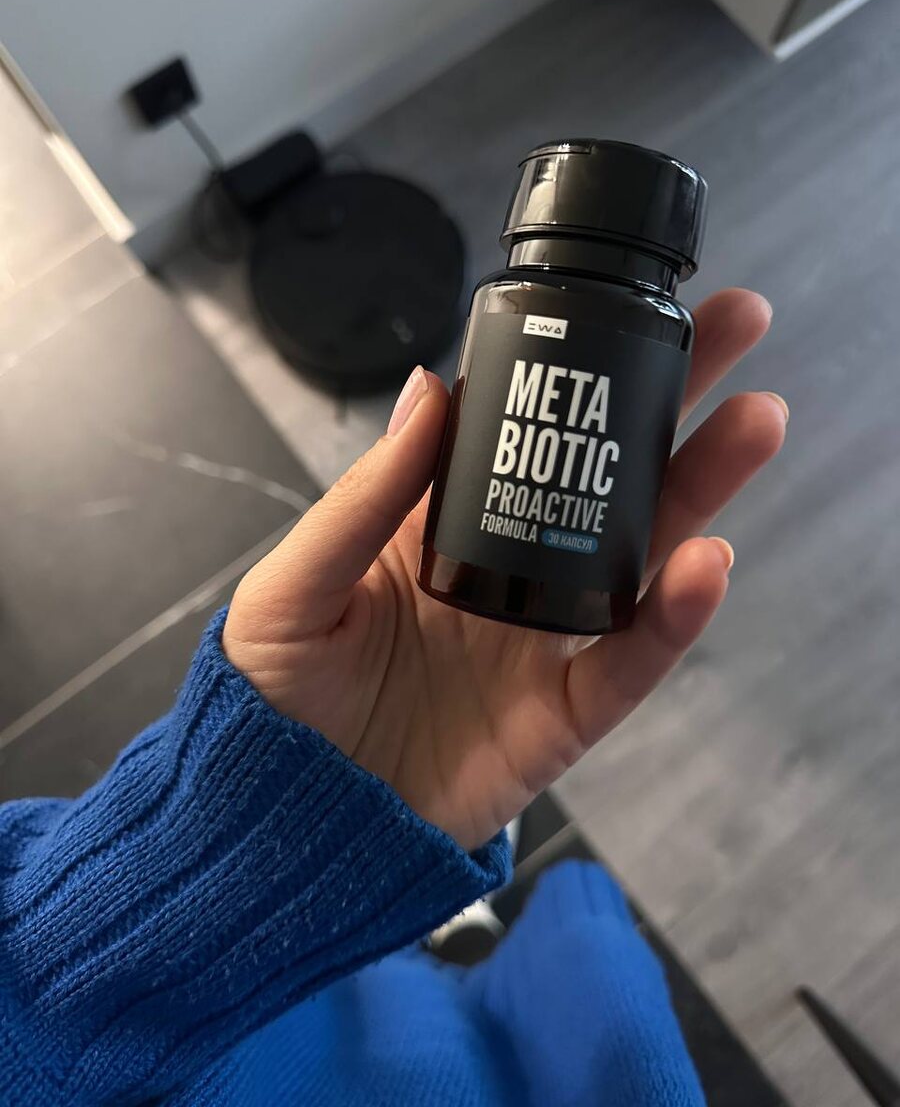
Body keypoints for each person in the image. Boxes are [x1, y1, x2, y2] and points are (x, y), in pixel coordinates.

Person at [0, 287, 786, 1106]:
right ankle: (451, 951)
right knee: (553, 1018)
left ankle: (438, 951)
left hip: (233, 1025)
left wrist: (229, 836)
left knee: (410, 1014)